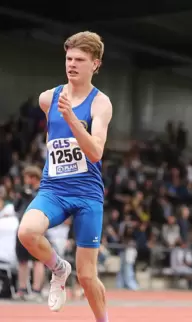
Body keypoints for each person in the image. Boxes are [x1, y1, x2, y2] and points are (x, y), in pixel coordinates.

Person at [17, 31, 113, 322]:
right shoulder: (49, 99)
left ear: (95, 64)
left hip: (87, 194)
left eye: (80, 60)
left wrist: (72, 119)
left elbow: (96, 152)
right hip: (54, 189)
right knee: (26, 232)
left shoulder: (100, 104)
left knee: (87, 276)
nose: (72, 64)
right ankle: (58, 268)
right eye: (69, 58)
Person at [15, 166, 45, 302]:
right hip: (22, 227)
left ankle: (36, 290)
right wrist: (21, 195)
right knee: (22, 260)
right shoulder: (24, 190)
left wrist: (32, 194)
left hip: (37, 228)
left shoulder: (43, 189)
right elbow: (16, 207)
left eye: (27, 177)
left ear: (33, 178)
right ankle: (21, 289)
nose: (25, 180)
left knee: (38, 260)